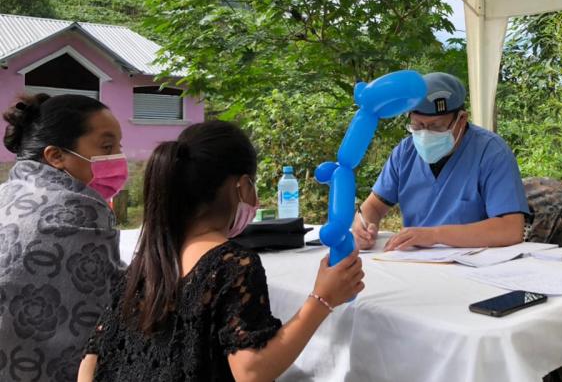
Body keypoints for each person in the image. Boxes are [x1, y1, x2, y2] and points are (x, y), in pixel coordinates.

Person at [78, 120, 364, 381]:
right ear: (243, 186)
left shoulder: (146, 261)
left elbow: (91, 361)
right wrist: (322, 299)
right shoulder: (231, 265)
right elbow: (251, 371)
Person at [0, 93, 127, 382]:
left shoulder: (5, 195)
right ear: (55, 156)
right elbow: (116, 303)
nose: (118, 158)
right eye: (107, 147)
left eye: (119, 147)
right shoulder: (80, 208)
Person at [353, 72, 529, 251]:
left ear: (461, 120)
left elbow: (510, 228)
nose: (425, 134)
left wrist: (434, 236)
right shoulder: (405, 153)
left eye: (436, 126)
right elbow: (373, 206)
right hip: (413, 260)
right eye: (417, 126)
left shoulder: (491, 152)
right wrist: (362, 226)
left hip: (476, 262)